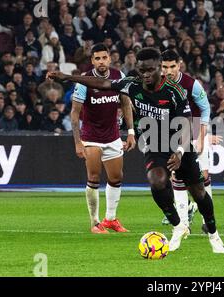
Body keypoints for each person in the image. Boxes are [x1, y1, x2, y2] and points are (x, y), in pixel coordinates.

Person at [47, 47, 224, 253]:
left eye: (150, 70)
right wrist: (69, 77)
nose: (146, 75)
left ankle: (214, 234)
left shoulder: (174, 91)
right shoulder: (132, 85)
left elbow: (186, 123)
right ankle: (179, 226)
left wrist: (178, 151)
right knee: (157, 181)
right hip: (155, 143)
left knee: (199, 192)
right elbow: (104, 84)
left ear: (159, 68)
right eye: (142, 70)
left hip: (180, 143)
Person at [69, 43, 135, 234]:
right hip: (91, 137)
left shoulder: (119, 76)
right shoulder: (84, 80)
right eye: (97, 58)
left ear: (110, 58)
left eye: (104, 58)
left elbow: (126, 104)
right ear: (92, 61)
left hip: (113, 136)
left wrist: (130, 132)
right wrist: (78, 141)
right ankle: (94, 222)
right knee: (94, 178)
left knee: (116, 178)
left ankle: (111, 219)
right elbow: (75, 113)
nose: (101, 62)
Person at [160, 49, 211, 230]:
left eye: (172, 66)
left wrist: (202, 137)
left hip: (195, 127)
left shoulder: (191, 84)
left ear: (179, 65)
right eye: (165, 67)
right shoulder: (158, 84)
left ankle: (207, 220)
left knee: (202, 177)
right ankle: (183, 223)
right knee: (176, 176)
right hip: (172, 131)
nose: (169, 71)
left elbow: (205, 108)